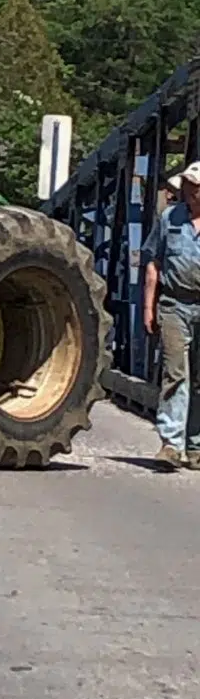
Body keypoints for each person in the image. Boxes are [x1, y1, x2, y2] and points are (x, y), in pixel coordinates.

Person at [142, 160, 200, 472]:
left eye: (195, 187)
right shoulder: (169, 218)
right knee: (176, 373)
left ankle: (196, 446)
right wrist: (149, 307)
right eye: (188, 185)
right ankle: (171, 443)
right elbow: (153, 264)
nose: (189, 191)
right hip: (175, 304)